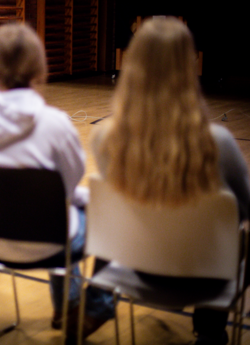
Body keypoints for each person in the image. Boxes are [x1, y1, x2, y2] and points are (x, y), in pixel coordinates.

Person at [91, 17, 250, 345]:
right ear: (188, 67)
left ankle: (95, 307)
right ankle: (210, 332)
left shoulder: (105, 139)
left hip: (135, 267)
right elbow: (244, 211)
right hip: (208, 278)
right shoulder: (217, 143)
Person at [0, 23, 114, 338]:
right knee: (109, 216)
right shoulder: (54, 123)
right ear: (38, 67)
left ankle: (66, 307)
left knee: (53, 212)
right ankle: (92, 306)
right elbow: (70, 184)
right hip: (45, 241)